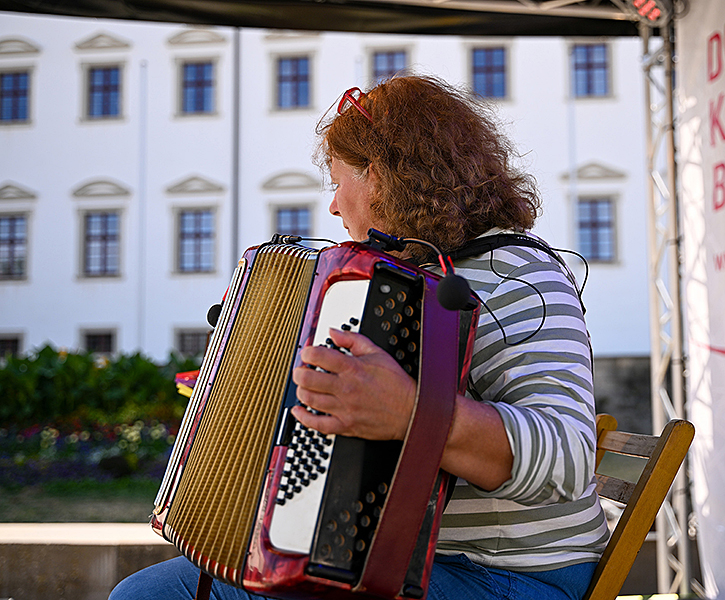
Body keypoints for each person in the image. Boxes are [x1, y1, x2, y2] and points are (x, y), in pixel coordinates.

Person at [109, 75, 608, 600]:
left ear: (379, 177)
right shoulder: (399, 281)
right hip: (409, 560)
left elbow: (568, 458)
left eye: (336, 182)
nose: (332, 208)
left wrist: (409, 412)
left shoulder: (518, 275)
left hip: (509, 575)